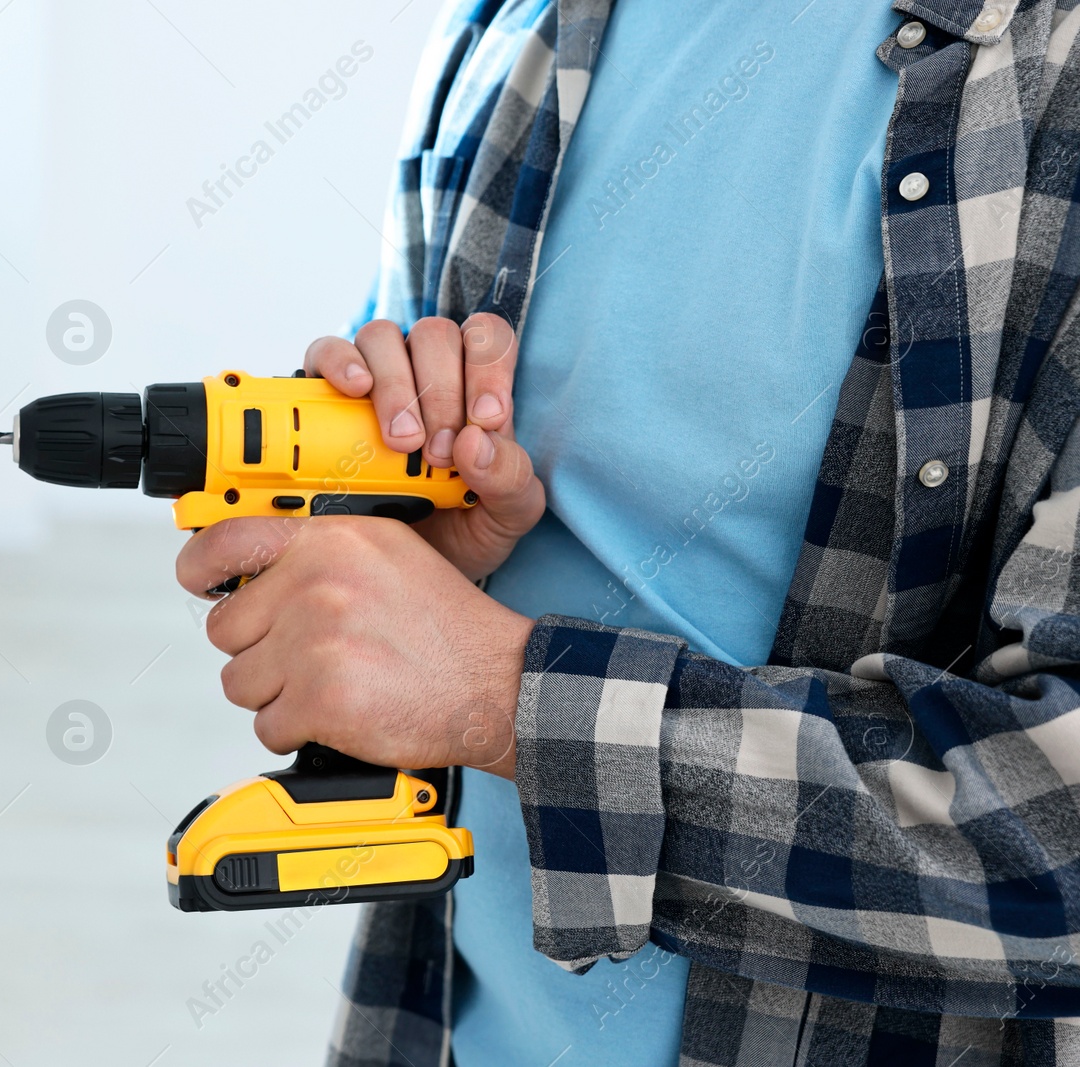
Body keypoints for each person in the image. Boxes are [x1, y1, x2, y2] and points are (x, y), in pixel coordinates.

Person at [174, 0, 1080, 1063]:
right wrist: (406, 532)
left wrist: (502, 692)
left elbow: (1057, 841)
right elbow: (412, 517)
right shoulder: (515, 27)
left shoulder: (1045, 79)